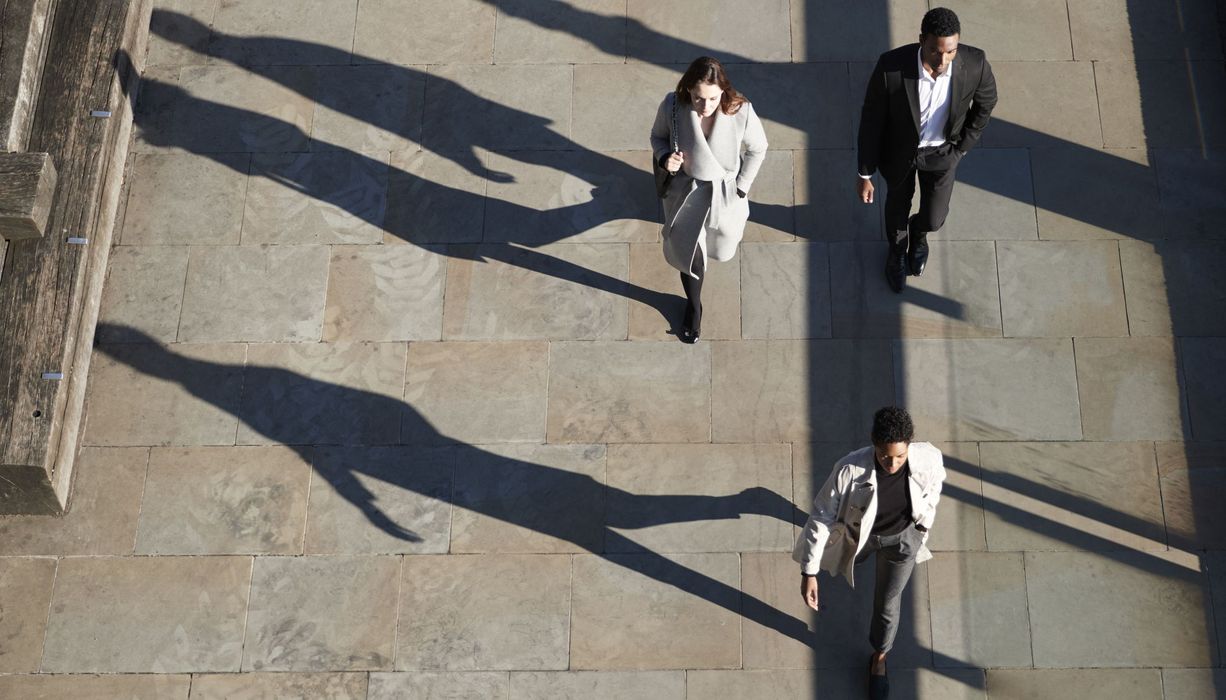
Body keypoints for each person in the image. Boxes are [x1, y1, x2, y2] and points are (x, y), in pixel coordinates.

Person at [794, 407, 946, 699]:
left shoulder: (928, 456)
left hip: (902, 541)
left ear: (910, 445)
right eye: (885, 455)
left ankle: (880, 655)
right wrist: (809, 572)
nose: (892, 463)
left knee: (888, 603)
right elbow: (822, 515)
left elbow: (936, 483)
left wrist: (924, 525)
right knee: (835, 559)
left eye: (900, 457)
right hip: (859, 536)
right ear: (873, 444)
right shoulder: (849, 468)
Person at [856, 7, 998, 293]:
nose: (943, 60)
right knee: (897, 207)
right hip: (899, 154)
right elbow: (872, 121)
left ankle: (919, 233)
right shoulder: (891, 67)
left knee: (934, 217)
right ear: (922, 40)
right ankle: (896, 253)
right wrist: (865, 173)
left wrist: (963, 148)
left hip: (943, 153)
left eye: (950, 51)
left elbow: (986, 104)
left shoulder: (975, 63)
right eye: (935, 51)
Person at [651, 56, 768, 343]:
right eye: (698, 98)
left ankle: (694, 301)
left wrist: (742, 186)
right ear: (688, 90)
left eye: (713, 99)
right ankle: (693, 307)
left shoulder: (740, 110)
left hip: (725, 193)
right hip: (685, 192)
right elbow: (658, 137)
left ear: (723, 91)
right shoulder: (673, 106)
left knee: (722, 243)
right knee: (690, 256)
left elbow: (758, 148)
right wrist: (666, 159)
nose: (705, 106)